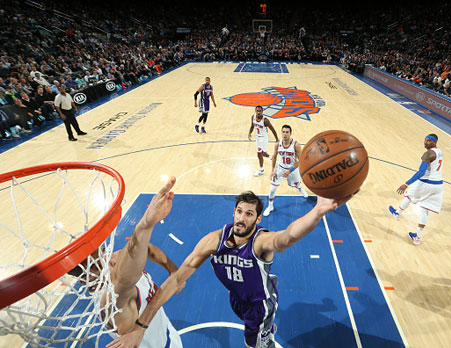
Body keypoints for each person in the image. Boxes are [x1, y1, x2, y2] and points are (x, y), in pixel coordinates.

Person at [107, 185, 357, 348]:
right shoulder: (213, 240)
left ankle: (265, 337)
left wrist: (318, 211)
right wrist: (141, 327)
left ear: (258, 219)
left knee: (254, 343)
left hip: (259, 305)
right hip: (237, 298)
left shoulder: (260, 242)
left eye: (249, 214)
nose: (241, 217)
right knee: (243, 311)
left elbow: (286, 237)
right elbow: (174, 281)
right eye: (239, 211)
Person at [70, 178, 183, 348]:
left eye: (100, 253)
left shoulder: (115, 258)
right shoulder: (109, 302)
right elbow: (123, 282)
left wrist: (172, 269)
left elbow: (146, 248)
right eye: (94, 265)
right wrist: (145, 225)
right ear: (83, 280)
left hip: (168, 334)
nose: (103, 262)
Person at [389, 134, 443, 245]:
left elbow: (421, 172)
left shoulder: (428, 154)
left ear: (435, 142)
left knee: (408, 195)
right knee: (424, 209)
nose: (426, 142)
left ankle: (397, 213)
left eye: (429, 141)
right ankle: (417, 238)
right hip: (439, 185)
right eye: (425, 140)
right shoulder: (439, 151)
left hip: (427, 182)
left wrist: (406, 183)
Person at [263, 125, 309, 217]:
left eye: (287, 132)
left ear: (290, 133)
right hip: (279, 169)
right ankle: (270, 206)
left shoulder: (296, 145)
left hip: (292, 169)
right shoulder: (277, 144)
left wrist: (290, 170)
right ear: (281, 132)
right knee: (272, 190)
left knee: (296, 185)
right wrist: (272, 170)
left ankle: (300, 189)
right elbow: (275, 157)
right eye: (283, 132)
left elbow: (301, 161)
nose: (285, 134)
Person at [248, 105, 279, 177]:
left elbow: (272, 129)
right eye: (257, 111)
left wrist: (276, 138)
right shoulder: (253, 117)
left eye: (260, 111)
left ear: (262, 111)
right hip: (257, 138)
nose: (258, 112)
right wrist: (249, 133)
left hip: (263, 138)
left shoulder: (265, 120)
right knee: (262, 153)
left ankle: (261, 170)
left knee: (259, 153)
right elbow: (252, 126)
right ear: (255, 111)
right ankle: (272, 158)